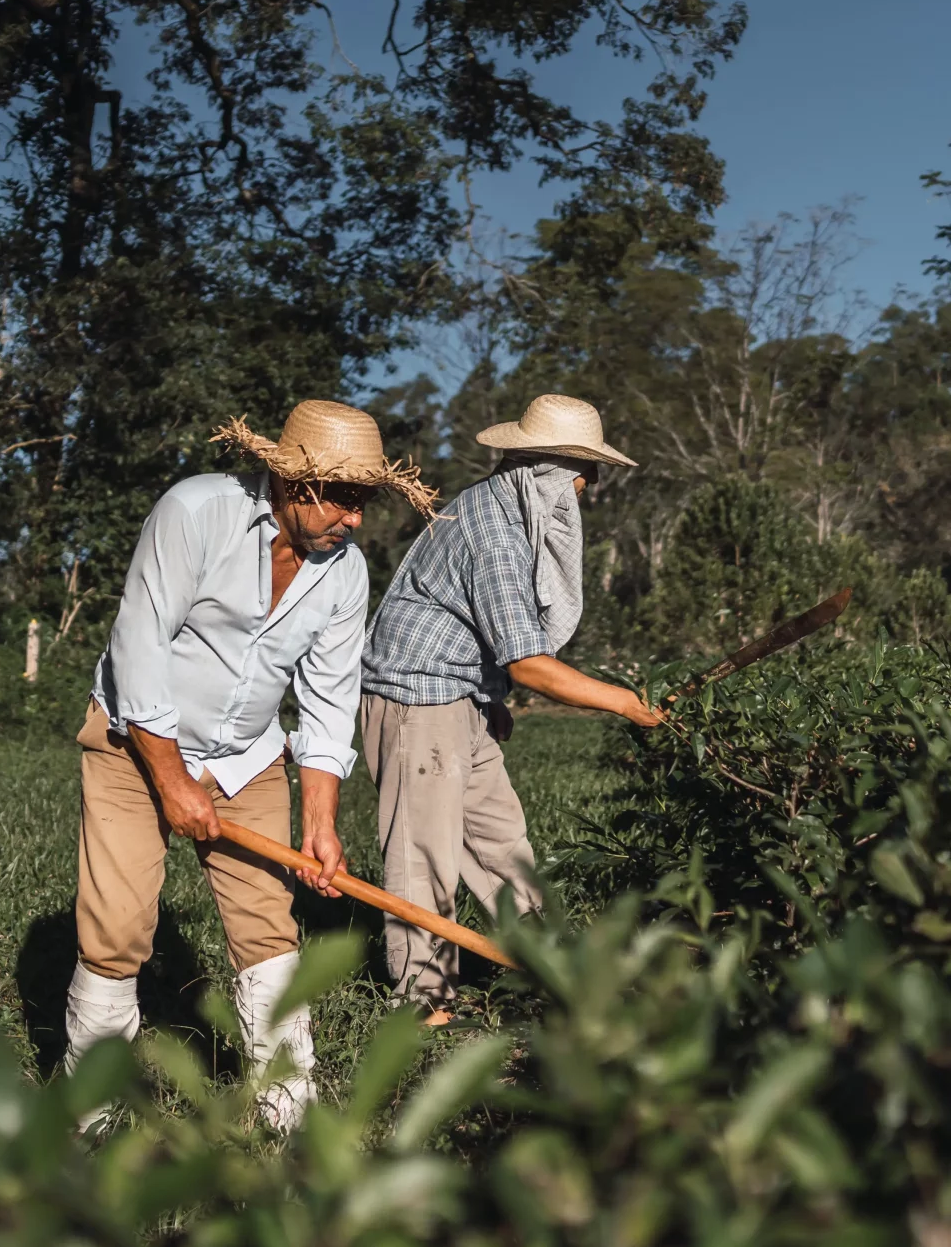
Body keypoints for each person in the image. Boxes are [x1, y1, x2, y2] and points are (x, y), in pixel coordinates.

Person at [63, 399, 435, 1129]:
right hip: (135, 743)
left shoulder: (345, 574)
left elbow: (329, 702)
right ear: (297, 483)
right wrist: (170, 782)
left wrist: (319, 825)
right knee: (116, 925)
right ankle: (91, 1113)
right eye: (346, 498)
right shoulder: (195, 513)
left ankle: (285, 1110)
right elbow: (138, 645)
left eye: (366, 500)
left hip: (248, 757)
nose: (356, 518)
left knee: (268, 931)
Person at [358, 393, 663, 1023]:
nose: (591, 489)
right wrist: (624, 703)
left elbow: (491, 635)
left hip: (459, 694)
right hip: (417, 698)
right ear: (552, 476)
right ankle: (423, 1002)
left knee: (502, 843)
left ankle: (551, 970)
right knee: (424, 854)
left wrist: (487, 697)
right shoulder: (494, 528)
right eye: (586, 476)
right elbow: (529, 662)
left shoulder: (508, 514)